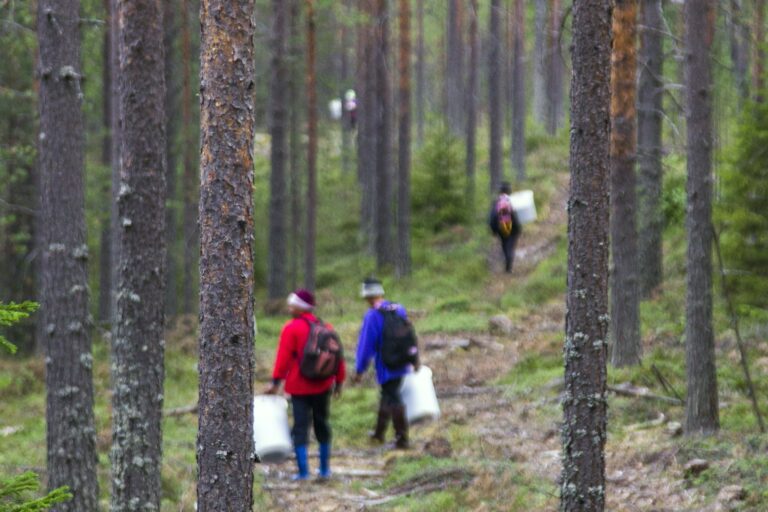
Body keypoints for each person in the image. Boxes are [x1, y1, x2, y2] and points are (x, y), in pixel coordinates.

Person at [265, 289, 345, 480]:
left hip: (298, 387)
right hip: (323, 385)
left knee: (300, 427)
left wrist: (275, 382)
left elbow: (283, 359)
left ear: (300, 307)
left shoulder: (291, 328)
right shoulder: (326, 327)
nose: (289, 307)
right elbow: (338, 357)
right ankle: (325, 469)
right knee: (322, 424)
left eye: (292, 304)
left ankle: (303, 472)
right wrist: (339, 382)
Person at [352, 277, 417, 449]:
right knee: (388, 395)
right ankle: (379, 433)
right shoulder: (398, 308)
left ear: (367, 297)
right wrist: (414, 359)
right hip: (403, 361)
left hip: (387, 365)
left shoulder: (372, 315)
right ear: (381, 293)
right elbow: (409, 334)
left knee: (392, 397)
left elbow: (366, 345)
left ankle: (402, 439)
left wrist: (360, 369)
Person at [488, 182, 522, 273]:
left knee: (505, 245)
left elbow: (492, 217)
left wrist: (493, 230)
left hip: (501, 228)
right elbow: (519, 215)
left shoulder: (497, 203)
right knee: (510, 246)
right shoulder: (512, 201)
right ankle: (509, 265)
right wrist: (519, 228)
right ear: (509, 191)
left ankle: (507, 262)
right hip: (513, 228)